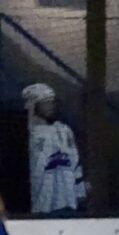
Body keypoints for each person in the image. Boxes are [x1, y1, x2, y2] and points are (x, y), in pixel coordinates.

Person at [22, 83, 86, 215]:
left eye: (51, 102)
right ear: (34, 105)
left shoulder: (64, 130)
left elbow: (75, 161)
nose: (50, 106)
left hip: (68, 201)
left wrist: (80, 191)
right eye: (45, 103)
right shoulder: (29, 134)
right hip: (41, 205)